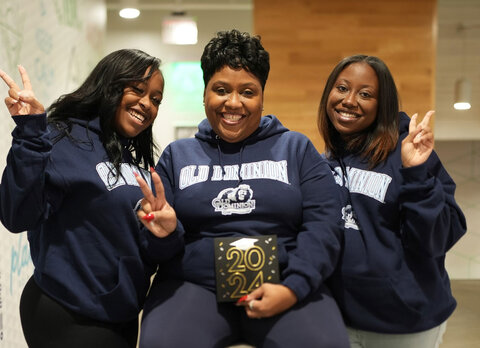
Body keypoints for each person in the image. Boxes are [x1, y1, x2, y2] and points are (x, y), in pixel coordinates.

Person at [136, 29, 350, 348]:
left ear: (262, 95)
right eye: (221, 90)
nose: (233, 103)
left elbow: (324, 228)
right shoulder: (178, 156)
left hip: (284, 283)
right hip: (195, 286)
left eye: (247, 92)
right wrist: (163, 232)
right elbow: (158, 250)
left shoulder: (297, 149)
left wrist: (293, 287)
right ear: (205, 92)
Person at [0, 49, 181, 348]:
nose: (147, 104)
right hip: (66, 311)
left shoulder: (135, 164)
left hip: (119, 313)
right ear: (110, 86)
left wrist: (167, 233)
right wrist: (30, 136)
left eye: (156, 99)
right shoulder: (63, 138)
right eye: (138, 90)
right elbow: (16, 215)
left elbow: (150, 249)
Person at [317, 54, 467, 348]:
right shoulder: (326, 162)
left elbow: (438, 238)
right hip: (339, 320)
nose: (349, 100)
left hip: (405, 324)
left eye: (365, 94)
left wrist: (416, 174)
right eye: (342, 88)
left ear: (382, 104)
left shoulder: (409, 154)